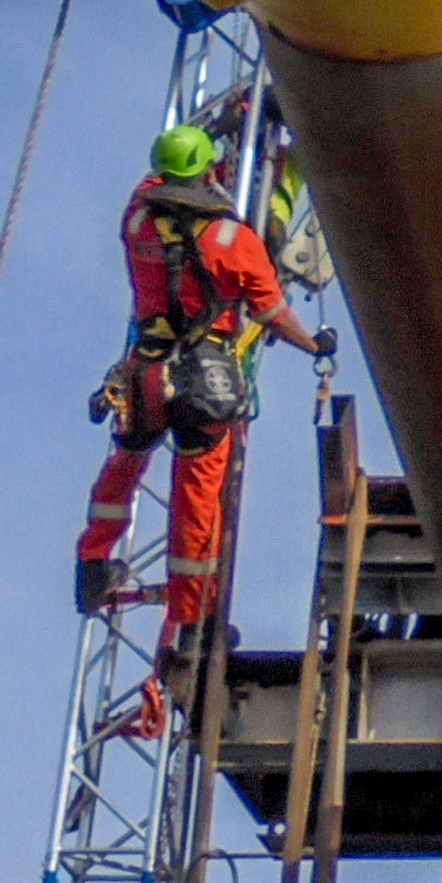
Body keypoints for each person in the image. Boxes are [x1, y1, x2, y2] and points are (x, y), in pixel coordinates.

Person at [77, 123, 335, 674]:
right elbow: (271, 314)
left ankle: (93, 563)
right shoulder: (234, 242)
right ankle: (192, 627)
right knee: (196, 499)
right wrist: (315, 345)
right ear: (204, 173)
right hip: (204, 380)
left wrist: (217, 131)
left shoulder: (136, 221)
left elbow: (155, 185)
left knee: (124, 464)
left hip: (146, 369)